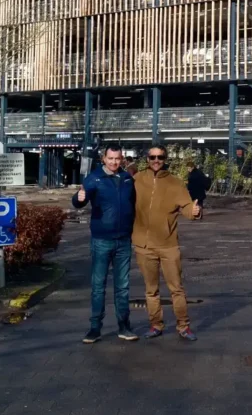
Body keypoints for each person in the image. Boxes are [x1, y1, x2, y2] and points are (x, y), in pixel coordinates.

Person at [133, 145, 202, 341]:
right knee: (151, 290)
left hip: (168, 245)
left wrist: (194, 212)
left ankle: (183, 326)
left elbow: (188, 207)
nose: (156, 160)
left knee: (176, 289)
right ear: (147, 159)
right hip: (143, 245)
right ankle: (156, 325)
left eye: (160, 157)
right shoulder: (137, 179)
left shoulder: (175, 183)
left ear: (165, 159)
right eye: (152, 156)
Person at [72, 144, 138, 344]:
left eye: (117, 159)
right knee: (98, 286)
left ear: (122, 159)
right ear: (104, 159)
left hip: (123, 241)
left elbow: (133, 204)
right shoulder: (94, 178)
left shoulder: (127, 179)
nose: (114, 162)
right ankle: (94, 328)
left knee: (123, 287)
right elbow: (80, 199)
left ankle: (124, 326)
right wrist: (79, 199)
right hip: (101, 241)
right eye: (110, 158)